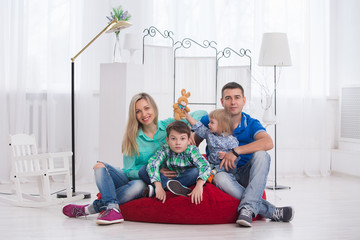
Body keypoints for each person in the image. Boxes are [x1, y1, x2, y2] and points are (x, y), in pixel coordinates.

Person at [62, 92, 206, 225]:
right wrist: (154, 173)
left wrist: (191, 131)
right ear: (134, 115)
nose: (144, 114)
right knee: (100, 166)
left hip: (150, 183)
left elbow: (203, 114)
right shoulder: (133, 137)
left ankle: (92, 208)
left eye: (147, 108)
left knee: (138, 187)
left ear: (154, 108)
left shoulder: (168, 127)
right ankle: (112, 208)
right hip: (140, 176)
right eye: (138, 111)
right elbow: (128, 170)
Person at [194, 82, 294, 227]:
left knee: (262, 155)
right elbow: (193, 142)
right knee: (219, 177)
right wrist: (190, 133)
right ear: (222, 101)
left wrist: (235, 151)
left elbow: (268, 143)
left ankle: (249, 207)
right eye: (228, 98)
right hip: (223, 173)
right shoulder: (211, 119)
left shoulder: (251, 123)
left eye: (237, 97)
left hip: (246, 173)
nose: (233, 102)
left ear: (244, 100)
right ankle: (268, 211)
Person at [138, 121, 211, 205]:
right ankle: (170, 187)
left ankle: (166, 188)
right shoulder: (165, 149)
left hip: (185, 178)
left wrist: (199, 186)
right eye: (173, 138)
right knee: (143, 170)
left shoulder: (191, 150)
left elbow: (204, 165)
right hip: (166, 178)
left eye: (182, 138)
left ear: (188, 140)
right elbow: (153, 163)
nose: (178, 143)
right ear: (167, 140)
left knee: (195, 172)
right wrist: (158, 185)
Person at [184, 108, 240, 177]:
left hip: (224, 168)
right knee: (198, 168)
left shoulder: (231, 140)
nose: (208, 124)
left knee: (227, 166)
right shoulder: (209, 133)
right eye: (209, 122)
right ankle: (208, 173)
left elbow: (236, 158)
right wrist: (187, 115)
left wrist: (226, 155)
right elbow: (198, 126)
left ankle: (213, 173)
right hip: (211, 164)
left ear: (222, 125)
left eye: (212, 122)